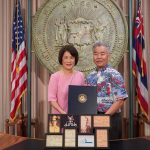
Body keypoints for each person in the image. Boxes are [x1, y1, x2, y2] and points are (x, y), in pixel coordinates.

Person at [86, 41, 128, 140]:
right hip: (93, 117)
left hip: (111, 118)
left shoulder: (115, 74)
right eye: (95, 54)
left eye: (102, 54)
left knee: (112, 146)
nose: (99, 57)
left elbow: (120, 100)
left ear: (108, 55)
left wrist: (104, 117)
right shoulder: (90, 76)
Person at [48, 45, 85, 114]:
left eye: (71, 58)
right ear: (61, 59)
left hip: (77, 116)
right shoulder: (55, 77)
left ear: (75, 59)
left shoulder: (80, 75)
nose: (69, 61)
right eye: (66, 58)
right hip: (59, 116)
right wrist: (63, 113)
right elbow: (52, 100)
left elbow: (83, 95)